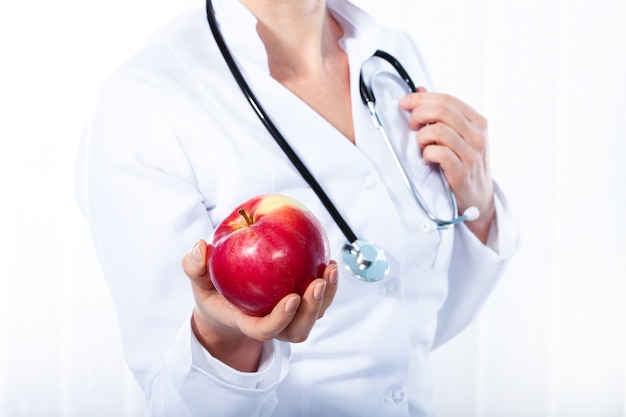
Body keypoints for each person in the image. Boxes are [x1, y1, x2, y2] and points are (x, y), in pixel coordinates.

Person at [76, 0, 518, 415]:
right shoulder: (147, 99)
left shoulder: (391, 57)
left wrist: (476, 203)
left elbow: (416, 318)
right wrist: (224, 341)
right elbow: (175, 402)